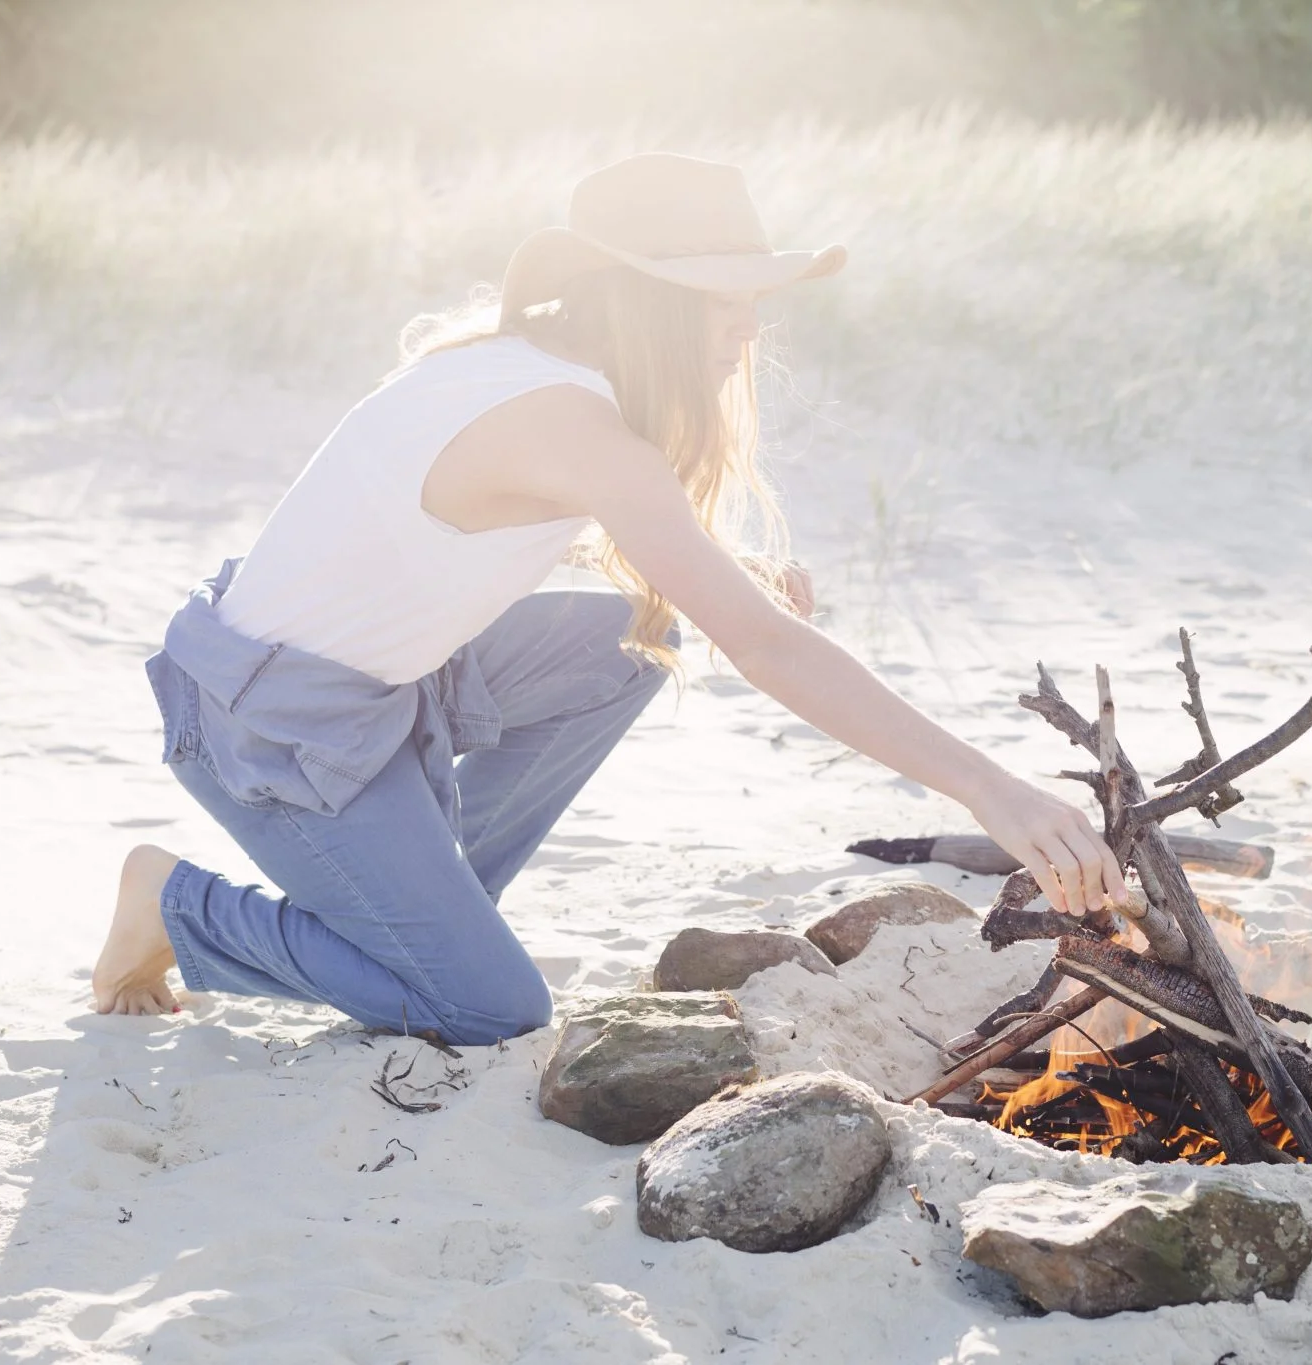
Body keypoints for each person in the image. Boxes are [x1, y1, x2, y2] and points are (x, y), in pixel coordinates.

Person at [93, 153, 1126, 1044]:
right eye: (727, 300)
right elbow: (768, 649)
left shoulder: (524, 367)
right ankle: (171, 908)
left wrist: (722, 572)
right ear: (653, 301)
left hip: (356, 686)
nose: (751, 329)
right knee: (489, 1009)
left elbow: (486, 517)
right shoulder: (576, 427)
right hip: (271, 728)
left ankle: (431, 895)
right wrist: (991, 790)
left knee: (644, 633)